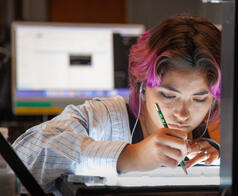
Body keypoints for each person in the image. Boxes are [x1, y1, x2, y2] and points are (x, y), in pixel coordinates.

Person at [12, 15, 221, 193]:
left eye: (199, 98)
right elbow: (21, 159)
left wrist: (220, 156)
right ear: (142, 86)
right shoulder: (103, 116)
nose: (183, 114)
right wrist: (129, 156)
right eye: (168, 95)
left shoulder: (209, 139)